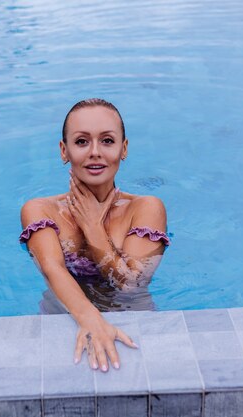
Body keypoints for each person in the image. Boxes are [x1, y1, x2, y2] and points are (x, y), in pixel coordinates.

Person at [19, 98, 170, 372]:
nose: (95, 152)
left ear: (123, 149)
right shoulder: (40, 210)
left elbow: (131, 285)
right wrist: (90, 319)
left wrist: (93, 228)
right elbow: (53, 269)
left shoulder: (146, 208)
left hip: (134, 320)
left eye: (108, 141)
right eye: (81, 142)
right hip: (62, 318)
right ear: (64, 151)